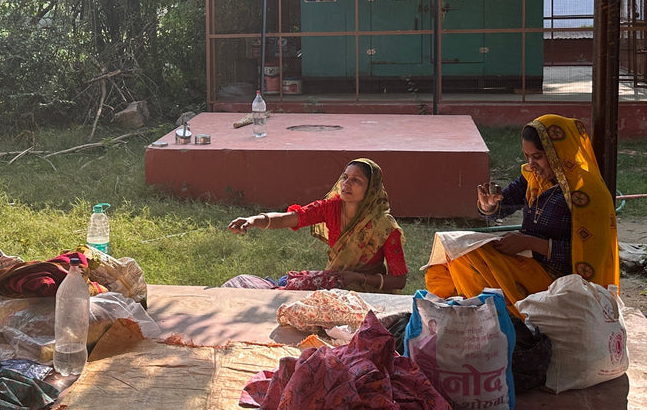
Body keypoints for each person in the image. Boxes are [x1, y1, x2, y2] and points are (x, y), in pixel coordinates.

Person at [425, 114, 619, 316]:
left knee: (467, 260)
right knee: (452, 251)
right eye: (527, 156)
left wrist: (529, 243)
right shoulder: (534, 178)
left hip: (560, 282)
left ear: (560, 153)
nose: (531, 164)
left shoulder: (587, 194)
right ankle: (450, 311)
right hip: (527, 262)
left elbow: (590, 256)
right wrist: (489, 205)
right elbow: (504, 204)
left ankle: (492, 316)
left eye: (538, 156)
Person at [224, 158, 407, 292]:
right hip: (334, 283)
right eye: (345, 177)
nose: (346, 184)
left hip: (367, 291)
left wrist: (358, 278)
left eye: (356, 180)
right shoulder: (331, 208)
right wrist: (253, 221)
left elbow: (399, 280)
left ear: (371, 190)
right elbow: (290, 218)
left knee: (293, 288)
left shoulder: (384, 227)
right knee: (292, 284)